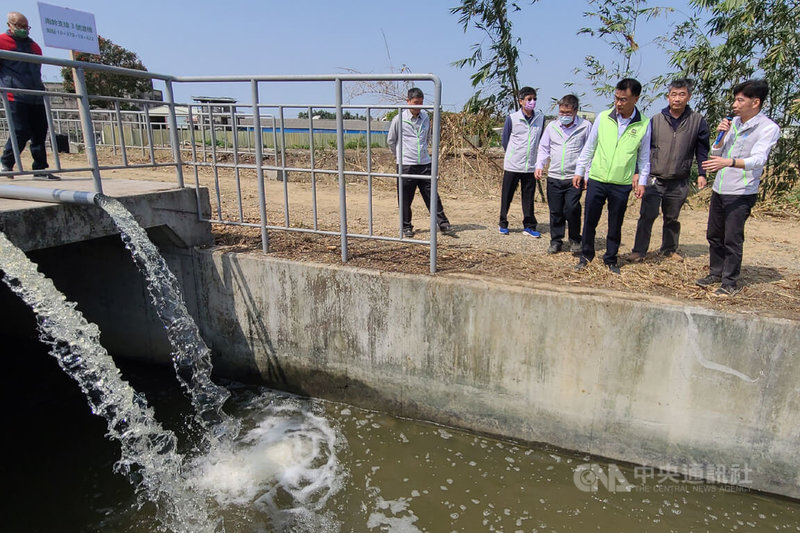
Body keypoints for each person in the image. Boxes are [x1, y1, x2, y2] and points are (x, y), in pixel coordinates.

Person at [697, 79, 780, 297]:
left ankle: (729, 282)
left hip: (742, 191)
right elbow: (715, 155)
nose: (735, 104)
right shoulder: (733, 123)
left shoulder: (768, 128)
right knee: (714, 234)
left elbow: (758, 160)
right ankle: (715, 272)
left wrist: (729, 162)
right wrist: (720, 136)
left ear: (756, 102)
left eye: (740, 100)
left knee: (732, 237)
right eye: (734, 99)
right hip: (721, 187)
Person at [572, 78, 651, 274]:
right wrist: (580, 171)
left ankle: (611, 259)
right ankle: (586, 256)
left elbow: (644, 157)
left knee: (615, 222)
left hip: (621, 182)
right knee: (590, 219)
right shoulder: (603, 117)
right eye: (616, 98)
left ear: (636, 99)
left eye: (624, 99)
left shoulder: (644, 124)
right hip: (598, 178)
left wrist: (642, 181)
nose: (618, 103)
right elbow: (590, 147)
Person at [629, 78, 709, 262]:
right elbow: (642, 149)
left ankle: (669, 249)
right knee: (647, 216)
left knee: (672, 218)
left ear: (688, 96)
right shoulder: (655, 120)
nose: (677, 99)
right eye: (674, 95)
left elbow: (702, 150)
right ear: (668, 97)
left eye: (682, 94)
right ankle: (639, 251)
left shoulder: (697, 121)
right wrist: (637, 172)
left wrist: (702, 174)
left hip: (679, 179)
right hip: (654, 178)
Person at [0, 11, 58, 180]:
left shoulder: (34, 46)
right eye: (20, 26)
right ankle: (6, 163)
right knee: (21, 131)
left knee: (40, 132)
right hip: (14, 95)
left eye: (26, 27)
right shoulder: (2, 42)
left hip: (36, 94)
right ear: (10, 25)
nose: (24, 30)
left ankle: (40, 169)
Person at [387, 87, 451, 238]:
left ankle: (443, 224)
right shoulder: (399, 119)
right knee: (405, 198)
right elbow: (391, 140)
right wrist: (401, 157)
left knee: (432, 195)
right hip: (406, 165)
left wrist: (423, 152)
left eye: (421, 103)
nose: (418, 106)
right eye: (415, 103)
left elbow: (428, 137)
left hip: (424, 163)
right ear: (408, 101)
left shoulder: (426, 117)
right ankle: (406, 226)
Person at [534, 94, 591, 254]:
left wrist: (586, 174)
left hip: (574, 177)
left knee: (572, 208)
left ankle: (575, 239)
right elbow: (544, 148)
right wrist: (540, 165)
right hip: (554, 175)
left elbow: (589, 152)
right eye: (561, 112)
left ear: (576, 111)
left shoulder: (585, 127)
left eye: (567, 113)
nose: (564, 116)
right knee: (556, 210)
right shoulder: (552, 127)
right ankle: (556, 240)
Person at [498, 86, 544, 237]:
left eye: (534, 99)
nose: (532, 102)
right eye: (529, 99)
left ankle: (529, 225)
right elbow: (505, 140)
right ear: (521, 101)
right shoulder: (512, 118)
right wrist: (512, 155)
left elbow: (541, 140)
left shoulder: (540, 119)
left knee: (529, 197)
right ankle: (503, 223)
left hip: (530, 166)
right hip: (513, 164)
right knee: (507, 196)